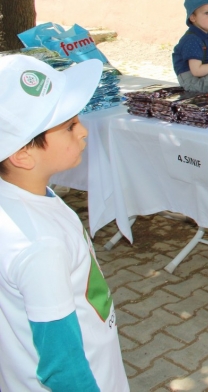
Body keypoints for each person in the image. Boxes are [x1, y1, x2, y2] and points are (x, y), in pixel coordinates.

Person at [0, 55, 130, 392]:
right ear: (22, 154)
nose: (83, 130)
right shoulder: (41, 246)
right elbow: (63, 366)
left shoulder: (22, 196)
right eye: (70, 125)